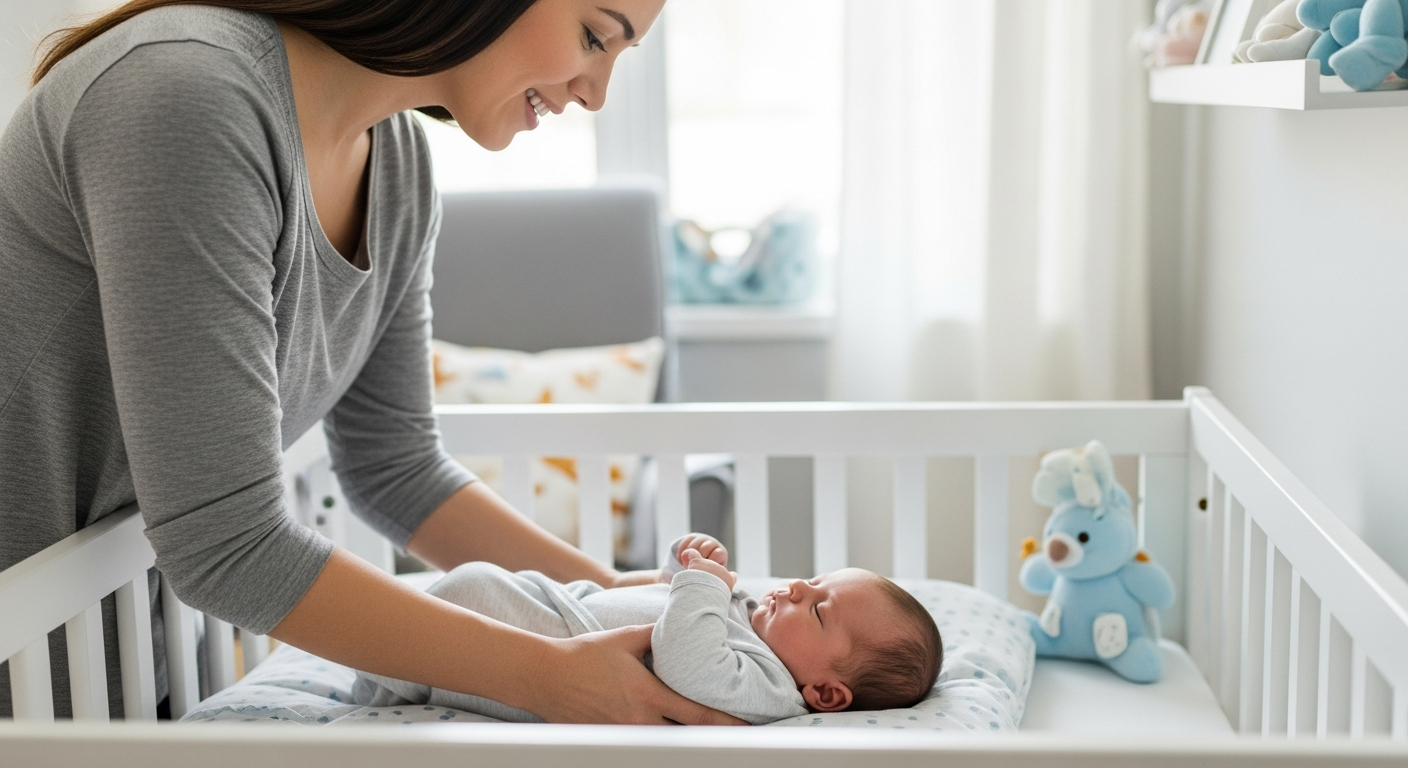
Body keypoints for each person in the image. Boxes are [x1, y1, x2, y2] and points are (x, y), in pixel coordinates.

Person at [0, 0, 743, 725]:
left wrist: (602, 594)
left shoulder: (399, 169)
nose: (596, 92)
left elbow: (397, 466)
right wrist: (542, 675)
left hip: (120, 655)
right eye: (593, 37)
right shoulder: (186, 95)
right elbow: (226, 542)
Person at [353, 535, 945, 724]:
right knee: (454, 604)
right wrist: (681, 567)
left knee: (440, 629)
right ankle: (390, 667)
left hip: (539, 640)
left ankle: (391, 676)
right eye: (811, 581)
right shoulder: (749, 618)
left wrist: (705, 587)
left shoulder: (768, 688)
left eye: (817, 610)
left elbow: (684, 658)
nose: (794, 589)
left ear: (826, 693)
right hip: (549, 608)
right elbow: (659, 602)